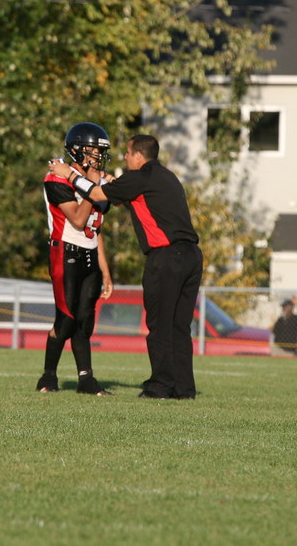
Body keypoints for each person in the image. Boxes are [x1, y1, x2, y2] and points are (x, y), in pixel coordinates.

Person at [49, 134, 203, 400]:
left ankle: (160, 386)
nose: (124, 157)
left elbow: (97, 193)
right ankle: (183, 388)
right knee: (180, 326)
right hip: (191, 256)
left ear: (139, 156)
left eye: (128, 154)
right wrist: (109, 182)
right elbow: (121, 194)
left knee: (159, 325)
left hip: (166, 257)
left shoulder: (140, 176)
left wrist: (69, 175)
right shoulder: (166, 177)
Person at [37, 122, 114, 396]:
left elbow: (96, 228)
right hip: (65, 251)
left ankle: (86, 380)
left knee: (85, 320)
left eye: (99, 151)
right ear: (76, 150)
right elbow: (79, 220)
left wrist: (105, 270)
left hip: (90, 253)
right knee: (67, 319)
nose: (97, 156)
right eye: (92, 150)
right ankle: (48, 376)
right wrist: (93, 186)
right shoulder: (57, 177)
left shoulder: (91, 178)